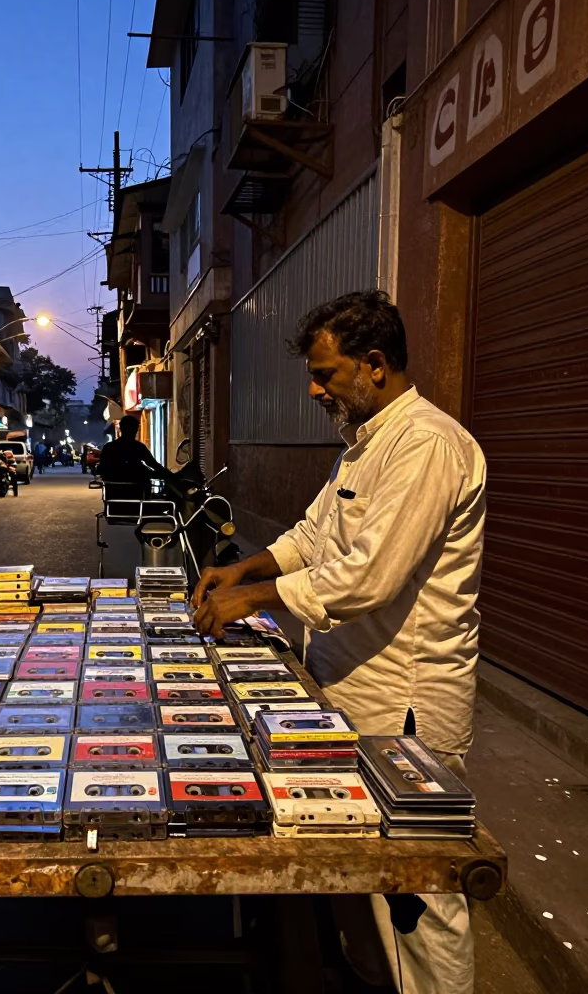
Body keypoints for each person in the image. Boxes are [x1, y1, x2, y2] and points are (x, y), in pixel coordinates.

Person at [193, 290, 485, 994]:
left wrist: (250, 598)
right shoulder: (364, 445)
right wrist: (248, 564)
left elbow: (367, 578)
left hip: (406, 705)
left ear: (375, 364)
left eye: (326, 374)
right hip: (348, 689)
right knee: (361, 874)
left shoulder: (427, 446)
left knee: (418, 889)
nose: (315, 388)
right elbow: (316, 536)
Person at [97, 414, 172, 483]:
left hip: (114, 488)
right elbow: (152, 463)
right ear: (136, 430)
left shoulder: (109, 447)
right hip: (136, 487)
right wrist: (168, 474)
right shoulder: (138, 447)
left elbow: (102, 467)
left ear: (120, 428)